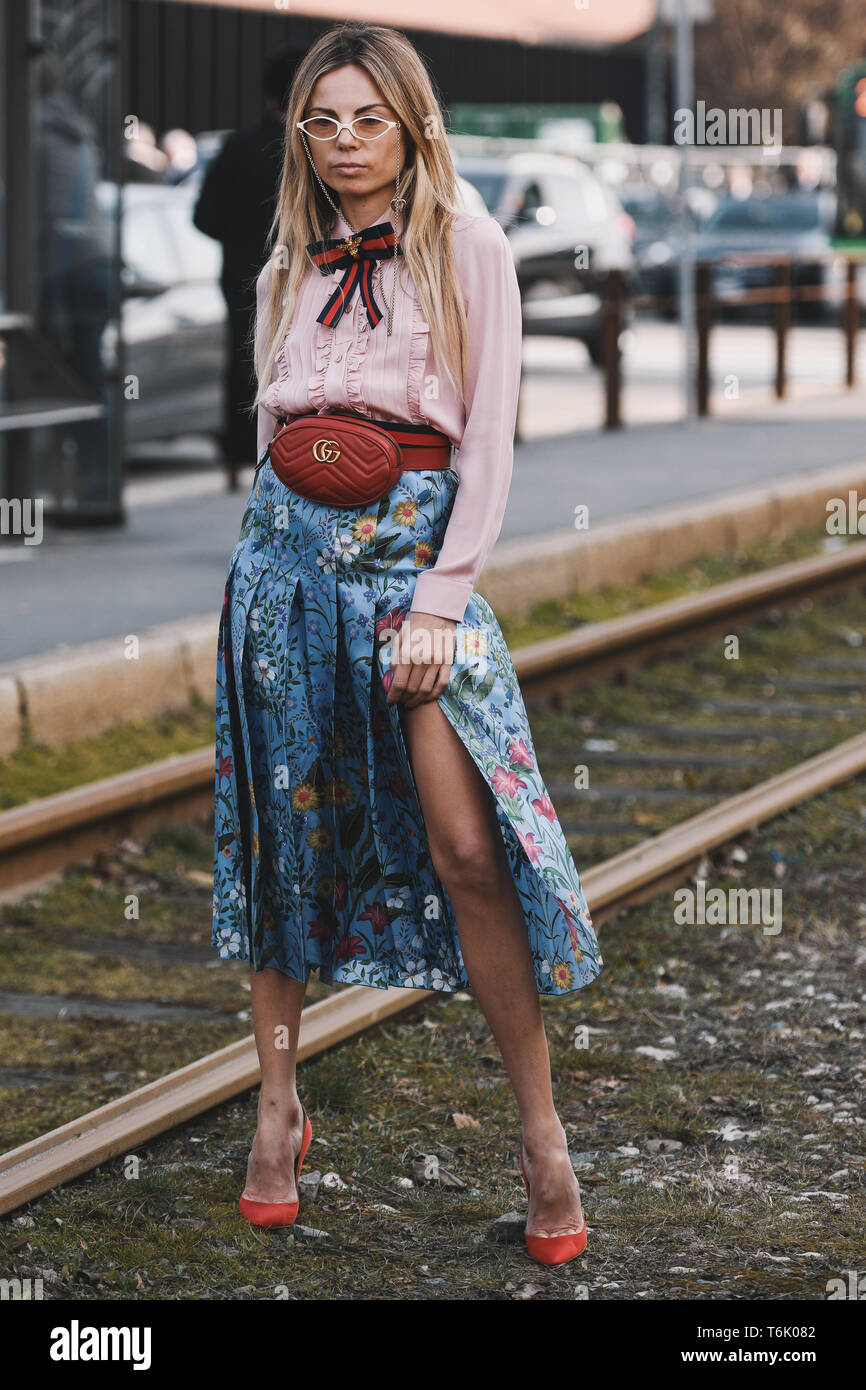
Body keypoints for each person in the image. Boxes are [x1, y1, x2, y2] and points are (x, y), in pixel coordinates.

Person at [211, 21, 603, 1267]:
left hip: (410, 571)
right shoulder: (291, 257)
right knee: (282, 845)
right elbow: (273, 422)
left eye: (364, 120)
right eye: (318, 123)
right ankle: (277, 1113)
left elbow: (484, 445)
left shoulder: (467, 244)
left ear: (412, 123)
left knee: (465, 842)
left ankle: (540, 1138)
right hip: (281, 567)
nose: (340, 145)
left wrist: (440, 599)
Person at [193, 45, 306, 487]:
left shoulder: (237, 147)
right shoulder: (313, 150)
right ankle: (293, 453)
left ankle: (238, 463)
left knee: (244, 362)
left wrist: (243, 242)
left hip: (241, 275)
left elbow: (204, 216)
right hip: (303, 274)